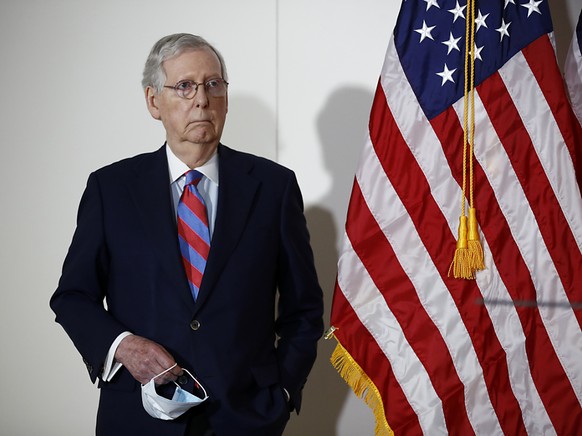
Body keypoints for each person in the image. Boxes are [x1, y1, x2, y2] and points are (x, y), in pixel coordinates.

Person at [50, 33, 324, 436]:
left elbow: (304, 310)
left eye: (213, 85)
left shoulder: (274, 188)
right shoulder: (111, 189)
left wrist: (281, 392)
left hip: (245, 418)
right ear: (153, 101)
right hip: (138, 417)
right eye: (185, 86)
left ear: (226, 97)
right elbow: (72, 297)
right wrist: (123, 346)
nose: (202, 100)